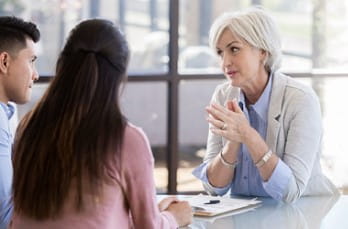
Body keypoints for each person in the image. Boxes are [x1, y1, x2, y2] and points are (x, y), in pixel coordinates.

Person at [10, 19, 192, 228]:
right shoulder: (126, 139)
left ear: (63, 65)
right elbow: (149, 226)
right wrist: (174, 217)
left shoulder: (29, 127)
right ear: (119, 74)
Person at [193, 7, 338, 203]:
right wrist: (233, 143)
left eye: (234, 49)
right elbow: (213, 187)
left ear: (262, 51)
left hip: (303, 214)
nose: (225, 62)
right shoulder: (223, 95)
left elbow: (290, 192)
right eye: (220, 53)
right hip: (246, 217)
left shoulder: (300, 100)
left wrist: (248, 135)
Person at [0, 16, 40, 228]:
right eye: (31, 61)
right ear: (4, 62)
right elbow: (5, 219)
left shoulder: (7, 112)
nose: (35, 75)